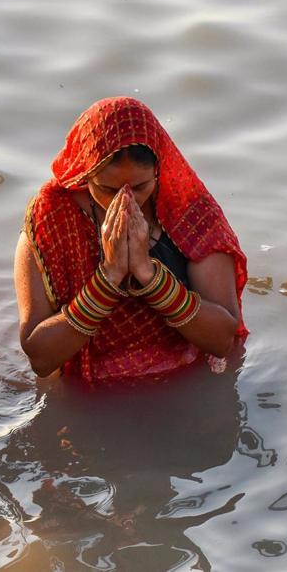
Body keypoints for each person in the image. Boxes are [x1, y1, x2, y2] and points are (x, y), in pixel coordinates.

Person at [14, 97, 247, 384]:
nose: (125, 199)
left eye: (140, 186)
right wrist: (109, 278)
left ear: (158, 171)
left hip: (183, 382)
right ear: (85, 174)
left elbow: (223, 340)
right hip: (88, 397)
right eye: (107, 189)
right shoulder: (52, 216)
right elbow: (39, 356)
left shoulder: (189, 211)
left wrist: (148, 276)